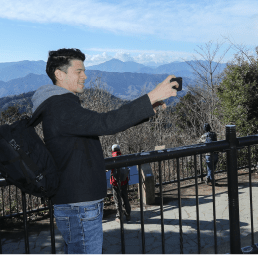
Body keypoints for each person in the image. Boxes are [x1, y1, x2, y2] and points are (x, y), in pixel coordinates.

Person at [31, 48, 177, 255]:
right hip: (79, 204)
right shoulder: (60, 106)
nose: (85, 76)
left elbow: (100, 124)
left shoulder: (60, 105)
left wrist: (146, 110)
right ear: (59, 74)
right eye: (79, 71)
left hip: (77, 202)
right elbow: (105, 123)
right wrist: (151, 96)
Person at [110, 144, 131, 222]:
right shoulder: (123, 157)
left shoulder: (112, 158)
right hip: (124, 181)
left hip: (115, 183)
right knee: (125, 197)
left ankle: (119, 216)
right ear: (119, 150)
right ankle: (128, 214)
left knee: (117, 199)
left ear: (112, 150)